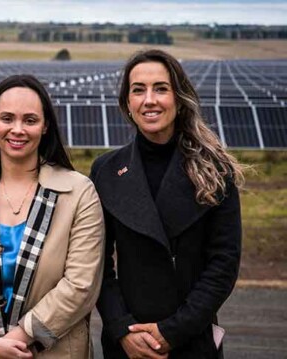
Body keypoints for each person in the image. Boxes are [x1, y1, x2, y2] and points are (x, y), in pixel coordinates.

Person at [0, 74, 105, 358]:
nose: (17, 129)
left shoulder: (79, 193)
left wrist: (23, 336)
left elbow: (81, 283)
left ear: (46, 125)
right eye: (7, 118)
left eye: (30, 120)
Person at [91, 49, 245, 359]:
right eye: (138, 90)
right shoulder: (106, 170)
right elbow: (96, 264)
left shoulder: (215, 170)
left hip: (191, 339)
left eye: (161, 88)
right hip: (127, 343)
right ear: (127, 103)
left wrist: (172, 332)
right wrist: (121, 329)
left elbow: (223, 265)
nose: (150, 100)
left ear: (178, 96)